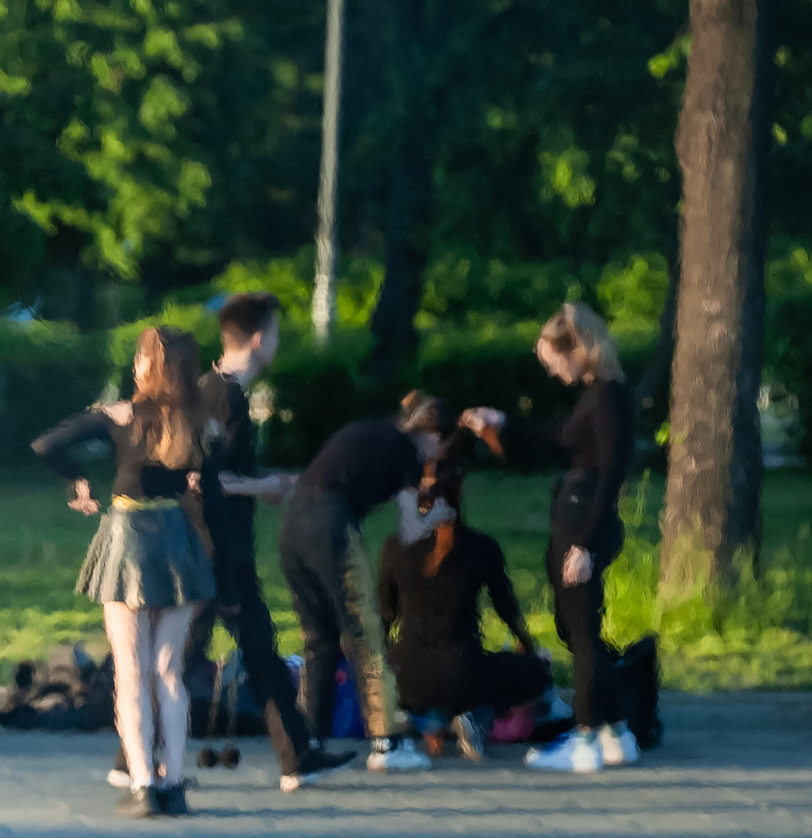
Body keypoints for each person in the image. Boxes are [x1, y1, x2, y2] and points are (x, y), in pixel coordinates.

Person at [32, 326, 218, 818]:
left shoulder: (121, 414)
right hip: (178, 537)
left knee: (131, 672)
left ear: (147, 366)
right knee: (168, 672)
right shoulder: (197, 418)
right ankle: (175, 784)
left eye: (140, 358)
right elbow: (209, 476)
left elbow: (46, 444)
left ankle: (141, 785)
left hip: (128, 537)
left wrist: (78, 479)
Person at [193, 292, 357, 793]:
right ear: (260, 338)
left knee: (243, 652)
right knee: (203, 655)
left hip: (213, 544)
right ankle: (297, 758)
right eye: (278, 335)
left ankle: (298, 756)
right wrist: (266, 487)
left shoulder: (207, 389)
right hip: (222, 547)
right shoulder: (229, 397)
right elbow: (205, 479)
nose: (279, 344)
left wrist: (261, 480)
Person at [276, 391, 457, 773]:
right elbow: (410, 531)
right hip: (331, 528)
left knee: (318, 638)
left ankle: (310, 740)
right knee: (365, 634)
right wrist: (437, 514)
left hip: (291, 528)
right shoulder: (408, 453)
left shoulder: (367, 431)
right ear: (435, 436)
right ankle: (386, 742)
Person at [495, 301, 641, 774]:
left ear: (576, 349)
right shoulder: (596, 394)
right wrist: (506, 424)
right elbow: (563, 437)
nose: (550, 368)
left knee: (580, 630)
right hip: (577, 512)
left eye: (552, 359)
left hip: (585, 517)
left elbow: (613, 471)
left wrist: (586, 543)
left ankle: (584, 739)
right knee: (575, 627)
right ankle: (616, 731)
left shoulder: (610, 396)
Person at [376, 444, 549, 760]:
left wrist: (376, 658)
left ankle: (429, 720)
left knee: (404, 674)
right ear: (462, 491)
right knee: (536, 672)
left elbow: (384, 616)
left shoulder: (394, 547)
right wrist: (528, 644)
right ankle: (470, 717)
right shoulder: (482, 547)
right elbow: (505, 607)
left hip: (407, 676)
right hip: (463, 673)